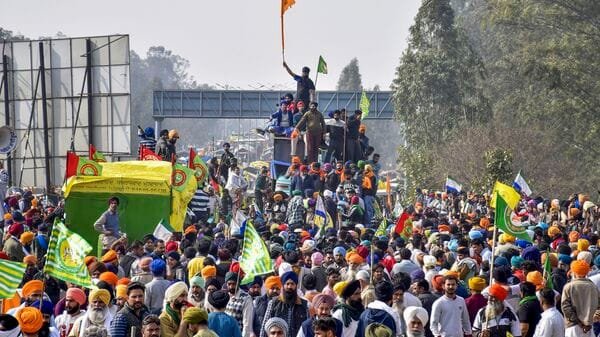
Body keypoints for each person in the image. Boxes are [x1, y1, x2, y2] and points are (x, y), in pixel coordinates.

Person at [260, 271, 309, 337]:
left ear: (296, 286)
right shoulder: (273, 303)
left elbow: (307, 327)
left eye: (292, 284)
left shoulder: (304, 305)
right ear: (283, 285)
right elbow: (264, 328)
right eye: (287, 284)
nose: (289, 286)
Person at [561, 260, 599, 337]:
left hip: (573, 327)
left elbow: (566, 308)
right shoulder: (593, 286)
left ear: (574, 273)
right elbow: (598, 307)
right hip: (589, 328)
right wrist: (587, 323)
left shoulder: (569, 286)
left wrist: (580, 324)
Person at [224, 272, 254, 337]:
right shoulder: (224, 296)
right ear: (226, 284)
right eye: (229, 284)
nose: (231, 286)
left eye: (234, 284)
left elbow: (247, 324)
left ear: (238, 283)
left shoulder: (246, 298)